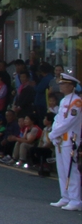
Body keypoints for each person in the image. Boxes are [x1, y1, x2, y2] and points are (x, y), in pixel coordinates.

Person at [48, 72, 80, 210]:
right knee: (61, 170)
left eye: (63, 84)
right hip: (60, 139)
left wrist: (54, 133)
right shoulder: (64, 100)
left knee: (70, 169)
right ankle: (65, 196)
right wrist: (54, 134)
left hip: (71, 139)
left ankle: (75, 199)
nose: (60, 86)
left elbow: (69, 121)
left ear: (70, 85)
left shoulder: (76, 102)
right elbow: (58, 119)